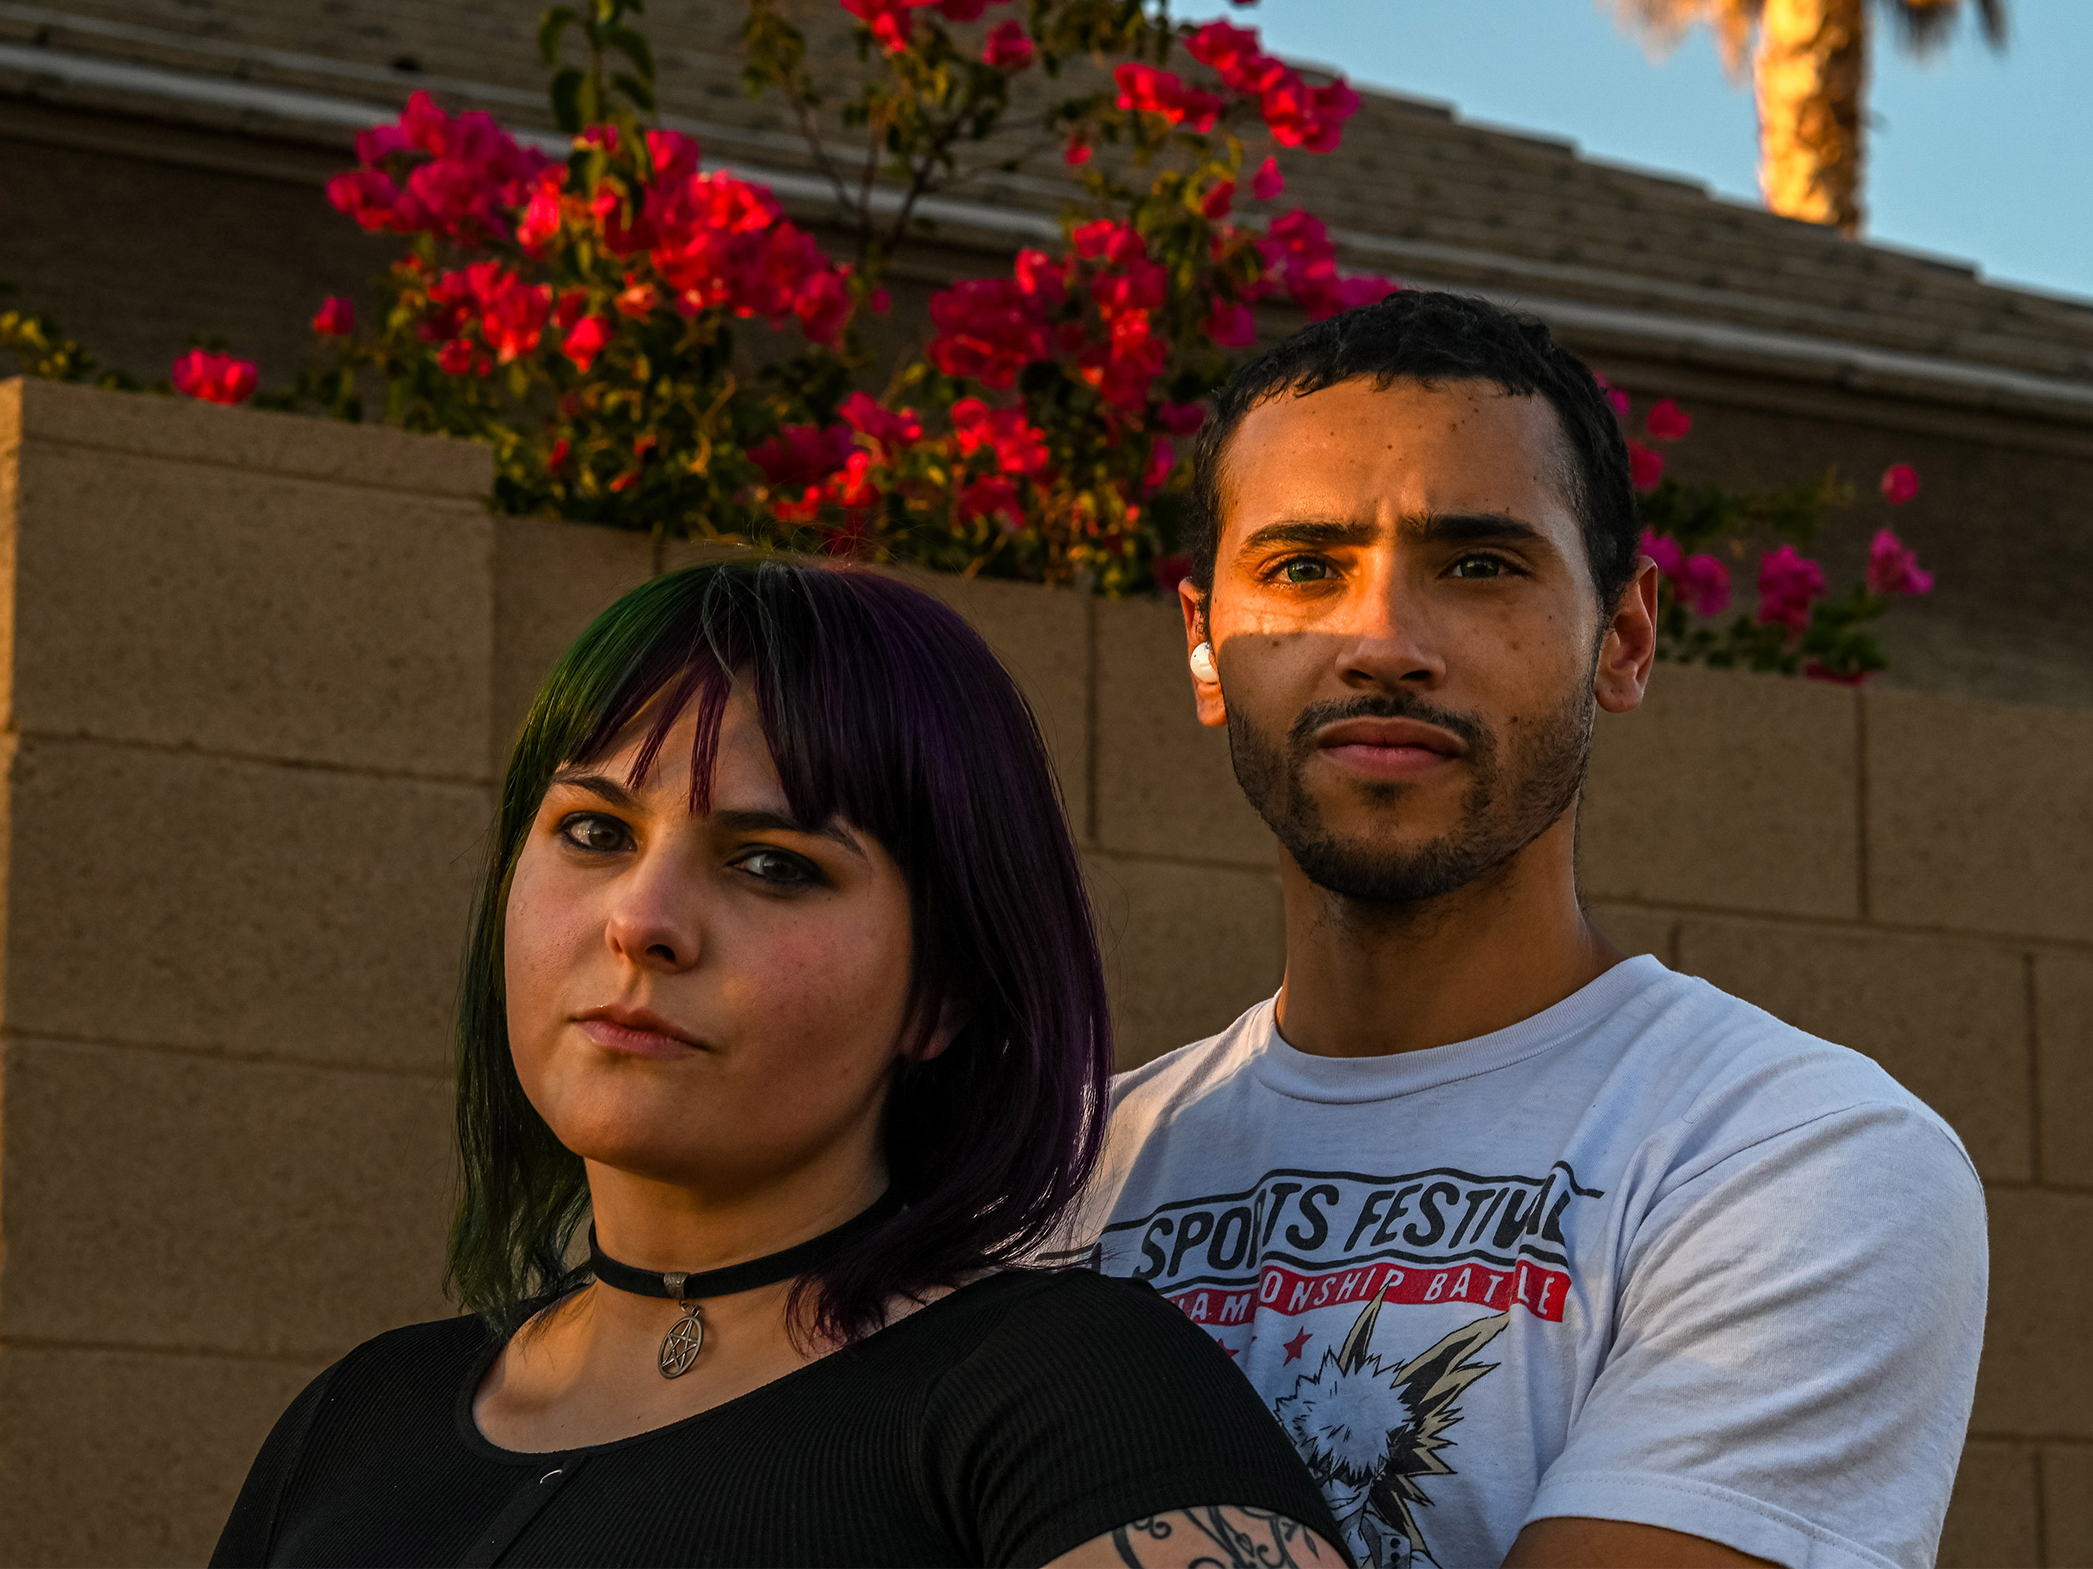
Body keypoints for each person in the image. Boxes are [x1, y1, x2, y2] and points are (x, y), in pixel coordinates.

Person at [1061, 291, 1986, 1569]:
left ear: (1624, 637)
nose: (1382, 642)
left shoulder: (1793, 1152)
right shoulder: (1071, 1177)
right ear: (1206, 645)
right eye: (1304, 567)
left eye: (1479, 565)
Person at [214, 559, 1347, 1568]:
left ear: (944, 988)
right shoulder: (355, 1417)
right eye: (595, 832)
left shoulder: (1066, 1392)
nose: (643, 920)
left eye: (771, 862)